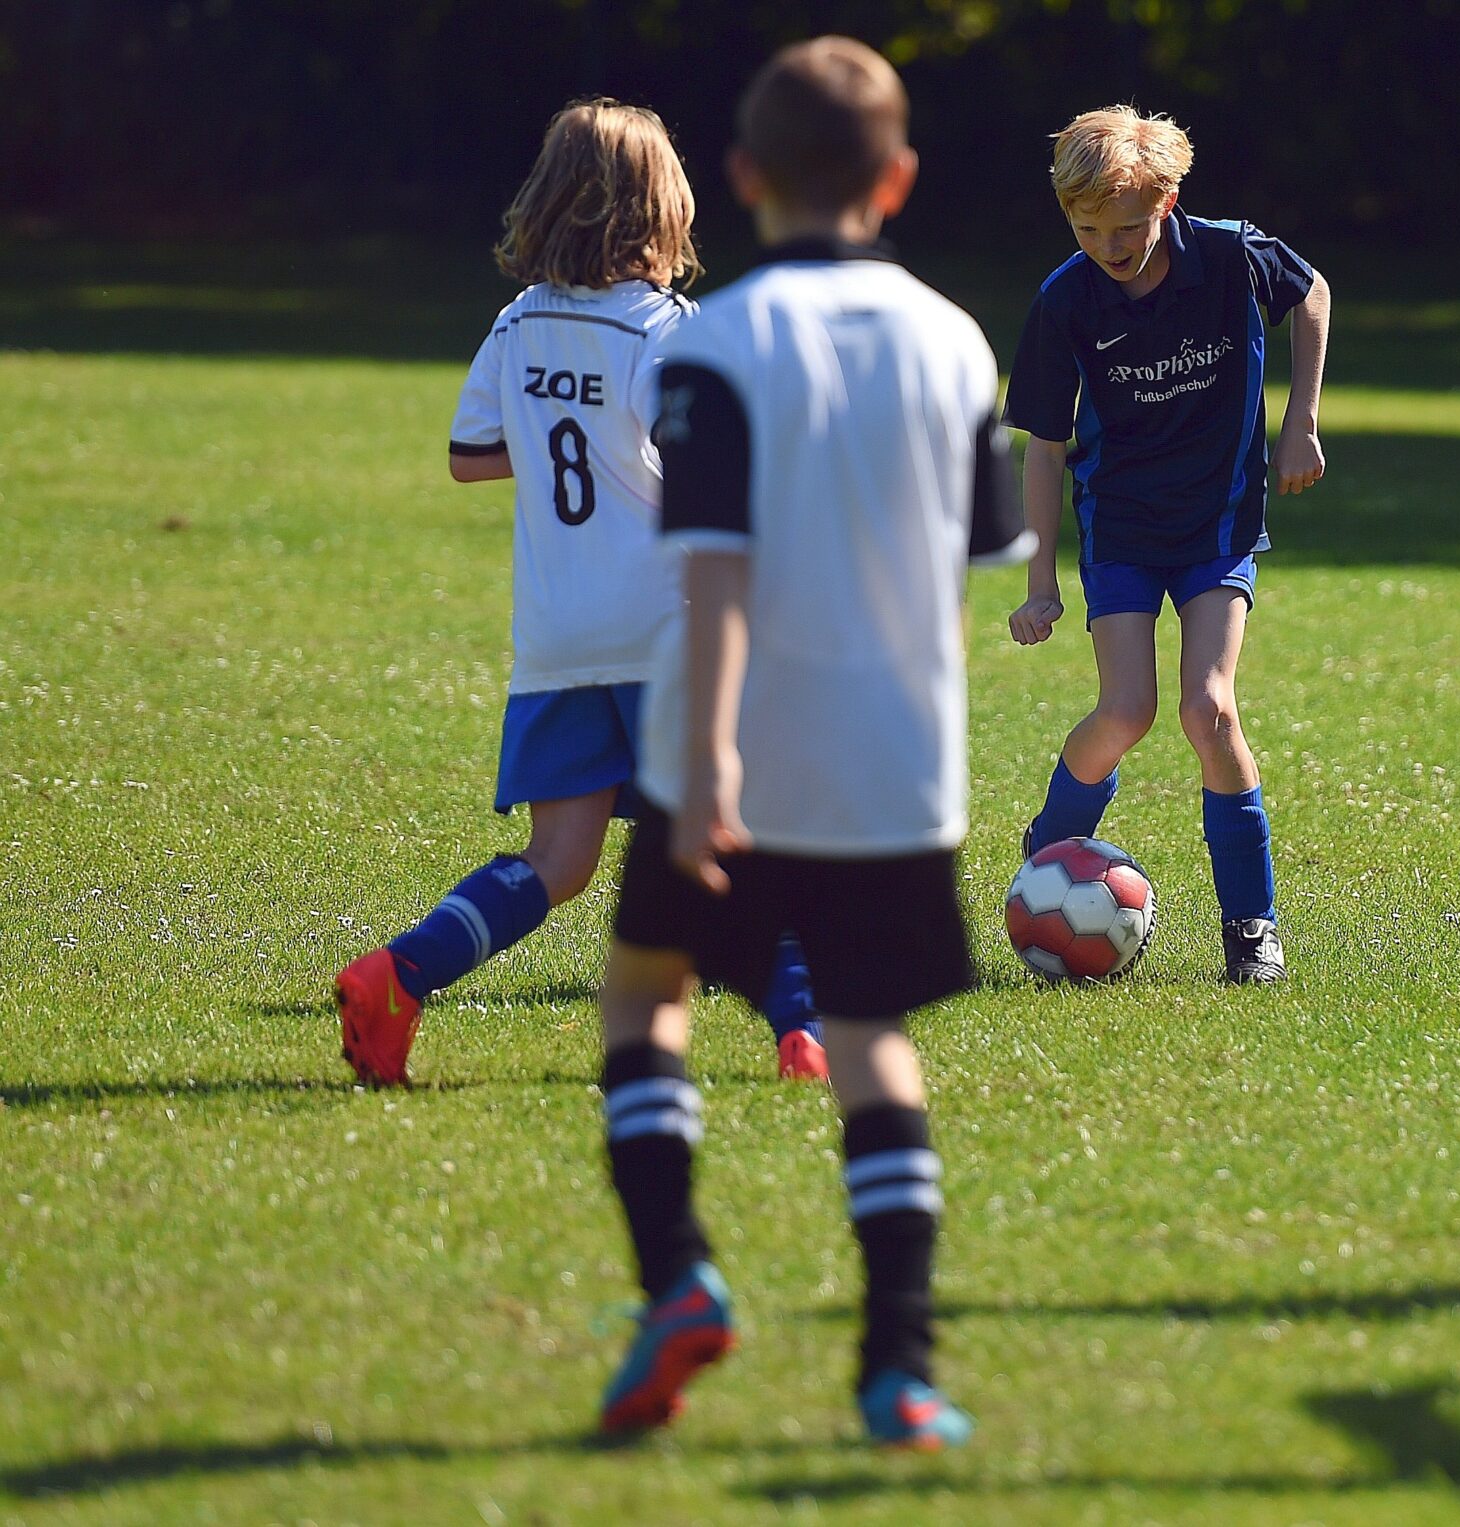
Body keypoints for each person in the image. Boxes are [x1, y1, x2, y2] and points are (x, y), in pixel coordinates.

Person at [589, 35, 1027, 1447]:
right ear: (897, 180)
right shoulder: (959, 338)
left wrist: (707, 765)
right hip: (897, 764)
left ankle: (678, 1281)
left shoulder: (714, 342)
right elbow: (974, 563)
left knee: (647, 995)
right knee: (871, 1041)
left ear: (743, 178)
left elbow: (715, 568)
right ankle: (899, 1366)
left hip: (729, 752)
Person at [334, 99, 827, 1086]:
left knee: (559, 858)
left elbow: (471, 458)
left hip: (557, 638)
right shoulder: (666, 329)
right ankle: (807, 1031)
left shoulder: (517, 325)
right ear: (665, 207)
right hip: (664, 630)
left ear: (549, 202)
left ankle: (400, 972)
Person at [1003, 105, 1331, 984]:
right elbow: (1043, 442)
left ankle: (1252, 930)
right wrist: (1042, 581)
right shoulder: (1065, 298)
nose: (1109, 246)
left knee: (1209, 710)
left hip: (1217, 521)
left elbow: (1314, 294)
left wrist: (1301, 421)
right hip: (1122, 527)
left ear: (1170, 201)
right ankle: (1047, 861)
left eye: (1128, 227)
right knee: (1126, 712)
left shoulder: (1228, 254)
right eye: (1087, 229)